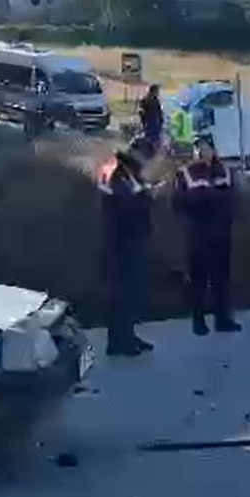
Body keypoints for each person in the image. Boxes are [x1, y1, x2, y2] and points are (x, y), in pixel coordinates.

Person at [173, 136, 241, 336]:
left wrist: (210, 196)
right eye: (199, 149)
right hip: (198, 235)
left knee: (221, 279)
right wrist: (207, 196)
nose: (203, 153)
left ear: (214, 150)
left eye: (206, 148)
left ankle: (223, 319)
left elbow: (232, 199)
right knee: (198, 280)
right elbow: (178, 202)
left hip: (221, 233)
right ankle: (198, 320)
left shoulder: (225, 171)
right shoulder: (185, 173)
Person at [99, 136, 159, 357]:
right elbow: (122, 208)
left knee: (132, 293)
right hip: (121, 243)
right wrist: (146, 198)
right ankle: (118, 342)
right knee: (122, 294)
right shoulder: (117, 175)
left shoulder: (132, 175)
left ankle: (128, 335)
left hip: (134, 240)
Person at [139, 84, 165, 149]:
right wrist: (161, 122)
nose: (158, 93)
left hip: (149, 124)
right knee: (154, 140)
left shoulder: (145, 99)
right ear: (154, 91)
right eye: (157, 91)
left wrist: (143, 122)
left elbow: (141, 112)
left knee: (150, 139)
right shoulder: (154, 100)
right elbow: (159, 113)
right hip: (153, 124)